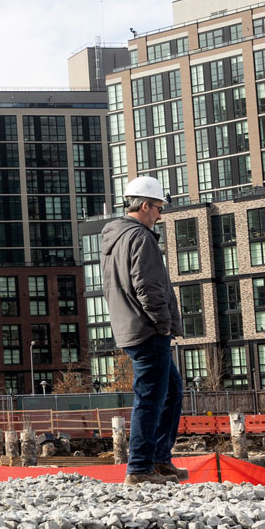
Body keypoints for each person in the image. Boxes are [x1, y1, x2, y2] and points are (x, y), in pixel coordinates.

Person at [101, 176, 186, 486]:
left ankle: (160, 459)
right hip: (148, 330)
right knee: (150, 398)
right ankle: (139, 468)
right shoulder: (141, 237)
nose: (160, 215)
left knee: (172, 391)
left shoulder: (115, 236)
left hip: (131, 327)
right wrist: (162, 324)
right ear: (146, 205)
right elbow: (147, 287)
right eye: (158, 208)